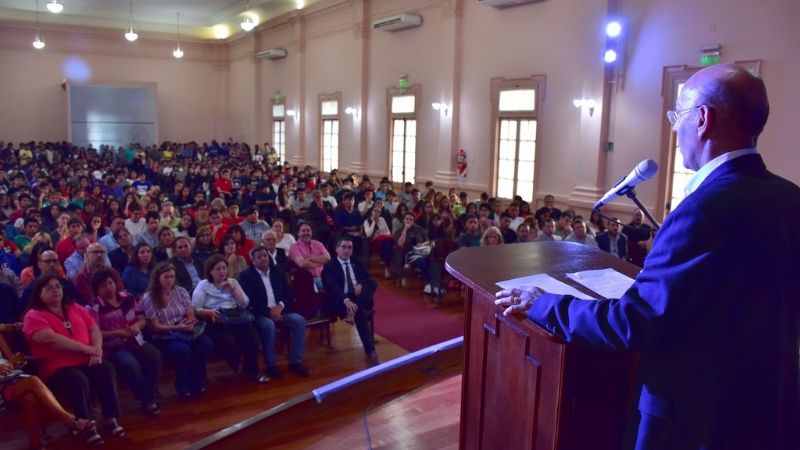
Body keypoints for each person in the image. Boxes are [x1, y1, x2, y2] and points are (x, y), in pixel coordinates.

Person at [496, 64, 799, 450]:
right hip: (769, 414)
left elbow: (634, 322)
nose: (675, 128)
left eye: (678, 116)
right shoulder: (791, 198)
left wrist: (544, 304)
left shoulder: (702, 211)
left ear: (703, 119)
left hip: (696, 422)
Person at [22, 275, 126, 444]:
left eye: (58, 286)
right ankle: (84, 425)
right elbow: (51, 339)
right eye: (49, 288)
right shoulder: (33, 315)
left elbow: (94, 328)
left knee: (105, 368)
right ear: (39, 293)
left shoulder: (74, 307)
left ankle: (110, 418)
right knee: (77, 379)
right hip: (56, 366)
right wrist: (88, 349)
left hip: (86, 359)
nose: (55, 290)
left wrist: (97, 350)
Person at [0, 333, 101, 449]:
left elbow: (11, 360)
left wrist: (16, 362)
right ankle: (71, 421)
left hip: (11, 378)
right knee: (33, 380)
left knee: (29, 398)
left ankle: (35, 444)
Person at [88, 268, 162, 418]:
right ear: (97, 289)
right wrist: (118, 333)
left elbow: (141, 318)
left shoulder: (127, 297)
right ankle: (148, 399)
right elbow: (95, 333)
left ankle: (147, 396)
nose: (108, 287)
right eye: (103, 285)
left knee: (155, 356)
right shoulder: (93, 307)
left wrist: (137, 326)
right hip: (114, 346)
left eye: (110, 283)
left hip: (136, 340)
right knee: (130, 365)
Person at [141, 262, 212, 399]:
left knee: (205, 344)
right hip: (164, 335)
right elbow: (155, 326)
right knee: (182, 350)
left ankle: (197, 381)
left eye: (172, 277)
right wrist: (177, 327)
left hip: (183, 329)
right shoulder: (149, 298)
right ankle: (182, 385)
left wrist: (190, 321)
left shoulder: (180, 291)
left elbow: (189, 310)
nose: (170, 280)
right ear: (157, 278)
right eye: (166, 277)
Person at [192, 255, 267, 383]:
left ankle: (253, 372)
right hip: (215, 318)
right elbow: (195, 308)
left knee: (251, 337)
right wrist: (208, 312)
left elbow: (244, 303)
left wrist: (232, 290)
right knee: (229, 339)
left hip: (236, 317)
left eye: (224, 268)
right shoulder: (203, 285)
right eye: (218, 269)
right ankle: (236, 364)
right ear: (210, 271)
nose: (222, 271)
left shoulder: (233, 282)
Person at [239, 245, 309, 380]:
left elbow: (288, 292)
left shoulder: (278, 271)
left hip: (281, 310)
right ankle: (271, 365)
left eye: (265, 255)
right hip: (260, 314)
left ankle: (295, 361)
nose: (263, 259)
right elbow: (250, 300)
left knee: (299, 321)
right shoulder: (246, 276)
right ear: (253, 261)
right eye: (259, 257)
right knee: (268, 326)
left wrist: (280, 307)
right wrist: (270, 312)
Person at [322, 237, 379, 366]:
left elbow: (368, 279)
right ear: (337, 249)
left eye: (349, 248)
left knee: (372, 282)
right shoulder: (329, 266)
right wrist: (346, 300)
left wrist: (361, 284)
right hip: (339, 300)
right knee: (361, 313)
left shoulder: (357, 261)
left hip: (358, 298)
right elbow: (333, 287)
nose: (346, 250)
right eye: (344, 247)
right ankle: (371, 351)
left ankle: (353, 311)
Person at [289, 223, 331, 292]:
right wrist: (320, 262)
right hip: (306, 280)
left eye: (308, 230)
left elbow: (327, 257)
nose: (306, 232)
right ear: (298, 233)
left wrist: (309, 259)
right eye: (303, 231)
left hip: (322, 277)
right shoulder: (294, 247)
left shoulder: (318, 244)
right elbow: (302, 264)